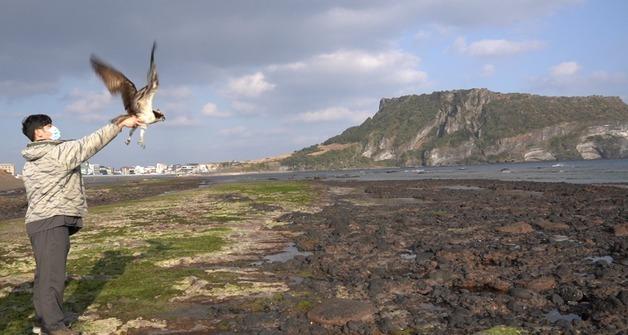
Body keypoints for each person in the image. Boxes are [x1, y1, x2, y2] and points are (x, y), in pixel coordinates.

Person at [21, 114, 142, 335]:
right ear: (38, 133)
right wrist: (120, 124)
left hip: (37, 222)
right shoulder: (57, 153)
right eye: (49, 126)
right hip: (52, 220)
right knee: (53, 277)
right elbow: (91, 143)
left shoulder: (31, 159)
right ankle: (54, 326)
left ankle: (41, 322)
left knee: (44, 276)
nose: (54, 128)